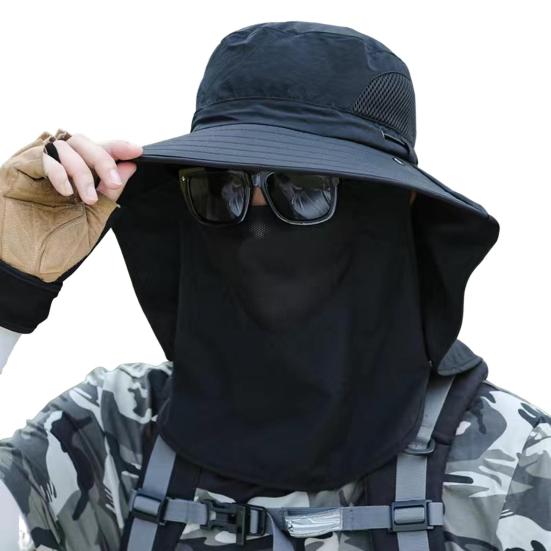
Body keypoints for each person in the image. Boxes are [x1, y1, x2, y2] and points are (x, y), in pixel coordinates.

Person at [0, 20, 549, 551]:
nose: (255, 230)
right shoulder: (111, 434)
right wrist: (7, 291)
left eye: (304, 188)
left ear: (396, 205)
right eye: (220, 188)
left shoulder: (515, 464)